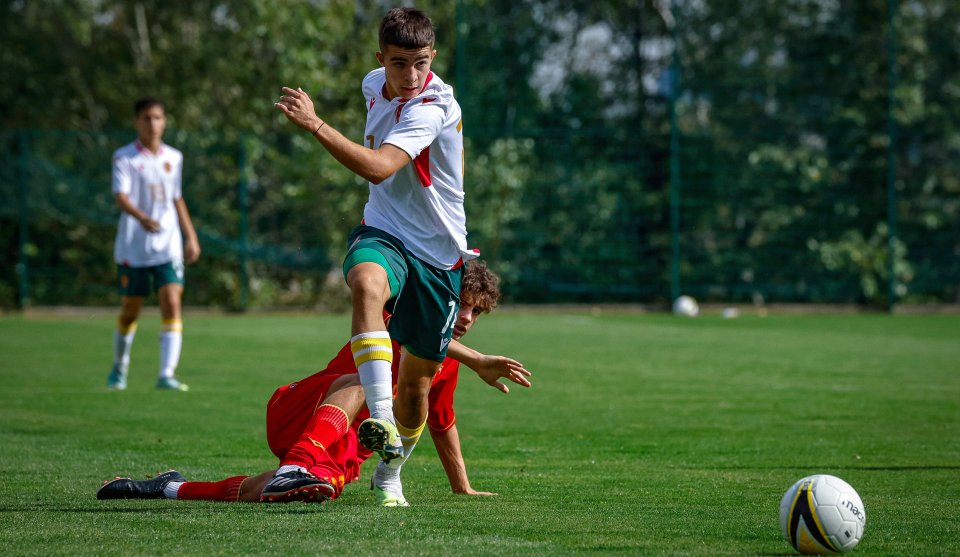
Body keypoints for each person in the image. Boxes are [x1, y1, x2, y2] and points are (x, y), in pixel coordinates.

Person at [97, 261, 531, 507]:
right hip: (299, 410)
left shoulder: (445, 366)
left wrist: (462, 486)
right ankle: (298, 462)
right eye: (464, 308)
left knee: (289, 493)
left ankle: (169, 487)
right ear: (442, 303)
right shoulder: (394, 323)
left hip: (338, 449)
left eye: (479, 313)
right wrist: (476, 360)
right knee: (363, 376)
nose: (470, 321)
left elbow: (441, 423)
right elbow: (408, 330)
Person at [273, 7, 473, 499]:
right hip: (383, 232)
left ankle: (390, 473)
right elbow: (381, 185)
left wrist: (317, 126)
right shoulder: (372, 83)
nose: (411, 76)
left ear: (434, 57)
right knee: (365, 282)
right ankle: (379, 418)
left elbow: (381, 167)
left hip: (438, 255)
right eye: (400, 63)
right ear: (379, 58)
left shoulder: (433, 107)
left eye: (421, 63)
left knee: (418, 389)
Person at [106, 97, 201, 392]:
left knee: (172, 301)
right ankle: (120, 368)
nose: (153, 123)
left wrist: (191, 236)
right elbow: (120, 196)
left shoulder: (174, 156)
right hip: (134, 246)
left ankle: (166, 374)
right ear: (137, 122)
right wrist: (142, 217)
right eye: (147, 118)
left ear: (165, 121)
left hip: (168, 245)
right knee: (131, 308)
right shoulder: (125, 158)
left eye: (158, 117)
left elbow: (176, 198)